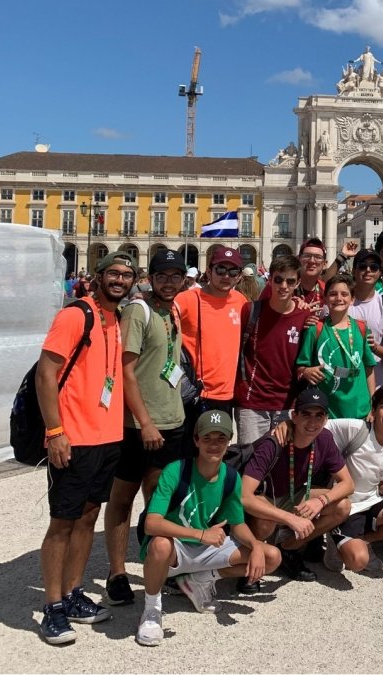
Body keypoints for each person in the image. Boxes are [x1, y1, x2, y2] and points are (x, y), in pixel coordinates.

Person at [34, 251, 134, 644]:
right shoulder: (76, 315)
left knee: (89, 517)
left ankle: (73, 592)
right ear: (98, 276)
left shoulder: (118, 319)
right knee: (62, 522)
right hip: (73, 437)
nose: (120, 280)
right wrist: (55, 430)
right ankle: (52, 605)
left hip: (107, 437)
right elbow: (46, 372)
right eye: (114, 273)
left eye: (127, 275)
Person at [135, 411, 278, 646]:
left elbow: (237, 523)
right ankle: (152, 610)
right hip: (176, 550)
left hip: (206, 548)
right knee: (160, 544)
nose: (214, 445)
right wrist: (200, 534)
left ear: (229, 441)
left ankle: (200, 579)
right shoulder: (175, 470)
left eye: (221, 438)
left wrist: (255, 546)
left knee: (270, 555)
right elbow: (152, 523)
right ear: (196, 440)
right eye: (207, 438)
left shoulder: (231, 477)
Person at [102, 249, 189, 608]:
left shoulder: (173, 310)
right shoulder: (138, 311)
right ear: (150, 278)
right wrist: (146, 422)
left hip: (172, 420)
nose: (169, 282)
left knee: (157, 498)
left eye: (175, 276)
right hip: (138, 425)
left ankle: (156, 565)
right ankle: (117, 573)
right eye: (162, 275)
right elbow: (126, 371)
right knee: (123, 499)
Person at [239, 388, 355, 584]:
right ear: (294, 416)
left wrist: (321, 501)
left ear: (326, 419)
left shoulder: (324, 438)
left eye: (319, 416)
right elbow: (244, 496)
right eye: (306, 414)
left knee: (342, 506)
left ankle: (288, 548)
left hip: (293, 495)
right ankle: (251, 561)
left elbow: (348, 484)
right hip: (266, 497)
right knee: (266, 519)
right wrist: (290, 519)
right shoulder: (274, 442)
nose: (312, 422)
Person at [322, 385, 383, 574]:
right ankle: (335, 534)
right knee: (358, 562)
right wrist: (289, 424)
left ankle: (364, 541)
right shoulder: (356, 429)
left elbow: (382, 487)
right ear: (373, 410)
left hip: (372, 501)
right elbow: (318, 425)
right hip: (347, 506)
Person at [234, 254, 312, 446]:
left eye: (290, 281)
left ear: (298, 283)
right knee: (251, 458)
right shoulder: (251, 310)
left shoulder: (304, 316)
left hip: (287, 405)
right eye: (278, 279)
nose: (283, 286)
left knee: (281, 461)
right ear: (270, 280)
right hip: (252, 403)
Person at [175, 245, 249, 421]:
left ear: (239, 277)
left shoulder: (241, 301)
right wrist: (147, 298)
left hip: (228, 394)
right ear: (209, 272)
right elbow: (161, 313)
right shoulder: (188, 298)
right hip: (195, 392)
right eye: (220, 270)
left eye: (233, 272)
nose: (226, 276)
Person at [296, 273, 377, 419]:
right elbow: (301, 367)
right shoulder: (315, 329)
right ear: (325, 298)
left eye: (344, 294)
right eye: (333, 294)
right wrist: (306, 371)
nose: (339, 298)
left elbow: (369, 369)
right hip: (327, 413)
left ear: (352, 299)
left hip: (360, 411)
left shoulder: (361, 328)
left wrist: (373, 404)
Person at [347, 248, 383, 388]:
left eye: (374, 267)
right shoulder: (340, 303)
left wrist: (375, 348)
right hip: (343, 386)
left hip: (375, 386)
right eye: (362, 266)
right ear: (353, 271)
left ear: (379, 272)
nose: (368, 270)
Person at [295, 238, 328, 307]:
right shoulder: (286, 287)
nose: (312, 261)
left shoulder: (326, 291)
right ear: (298, 259)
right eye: (307, 256)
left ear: (324, 264)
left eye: (318, 257)